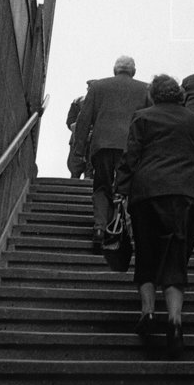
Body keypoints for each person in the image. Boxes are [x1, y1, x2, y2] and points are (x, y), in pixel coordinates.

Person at [115, 74, 194, 357]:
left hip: (146, 193)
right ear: (179, 95)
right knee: (175, 256)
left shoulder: (142, 117)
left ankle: (148, 313)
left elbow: (130, 155)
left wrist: (121, 190)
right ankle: (174, 321)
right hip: (184, 194)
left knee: (146, 253)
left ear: (153, 95)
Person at [73, 56, 151, 251]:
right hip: (131, 146)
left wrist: (79, 149)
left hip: (103, 145)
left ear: (115, 69)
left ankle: (99, 228)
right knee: (129, 187)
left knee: (101, 186)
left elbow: (84, 119)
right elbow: (151, 120)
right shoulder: (145, 89)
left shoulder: (98, 87)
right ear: (133, 71)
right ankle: (124, 229)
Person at [65, 81, 95, 179]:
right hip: (78, 138)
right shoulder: (78, 101)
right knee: (75, 166)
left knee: (90, 167)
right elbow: (70, 121)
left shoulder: (101, 103)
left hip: (93, 140)